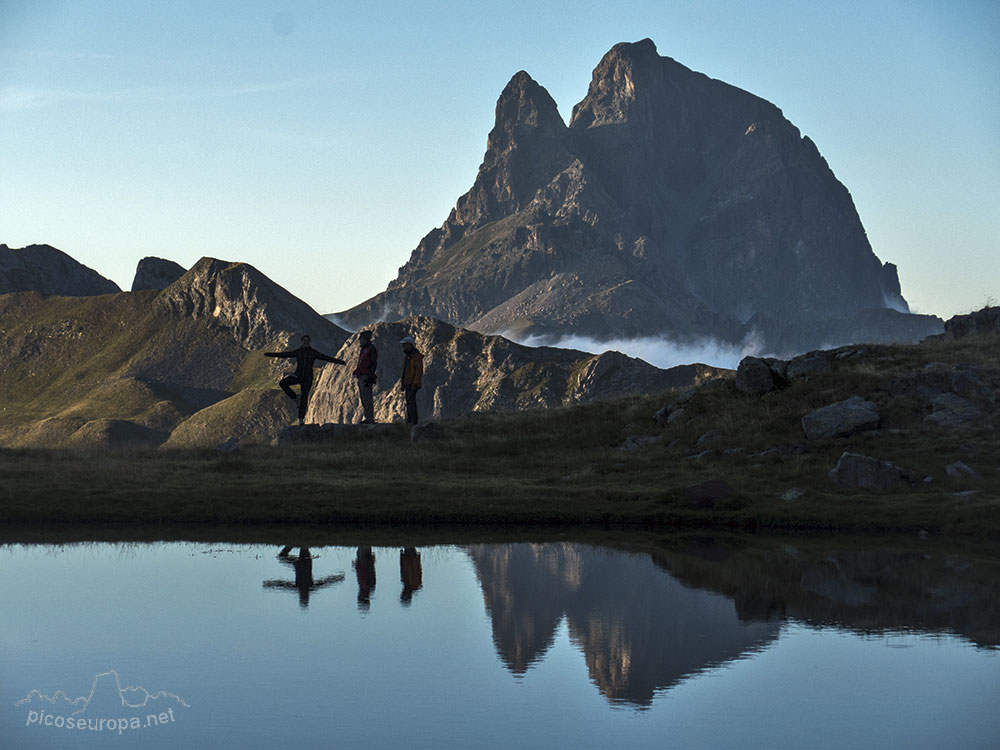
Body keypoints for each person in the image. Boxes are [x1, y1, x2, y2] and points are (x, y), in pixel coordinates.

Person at [264, 335, 346, 425]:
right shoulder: (298, 352)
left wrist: (340, 362)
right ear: (302, 342)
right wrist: (270, 354)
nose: (306, 342)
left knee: (304, 398)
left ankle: (301, 420)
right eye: (304, 341)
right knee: (283, 383)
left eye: (307, 341)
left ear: (309, 342)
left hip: (307, 378)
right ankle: (295, 397)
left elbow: (326, 358)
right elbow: (284, 355)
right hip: (297, 376)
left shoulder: (313, 353)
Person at [352, 330, 378, 424]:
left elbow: (373, 363)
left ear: (365, 339)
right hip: (361, 376)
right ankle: (368, 417)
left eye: (361, 338)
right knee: (363, 398)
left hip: (366, 377)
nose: (359, 340)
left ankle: (370, 418)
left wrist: (370, 376)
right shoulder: (364, 349)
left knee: (367, 398)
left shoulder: (371, 349)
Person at [399, 335, 423, 425]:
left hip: (412, 383)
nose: (403, 347)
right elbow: (404, 372)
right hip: (407, 383)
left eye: (405, 345)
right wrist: (402, 383)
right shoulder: (406, 357)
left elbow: (419, 371)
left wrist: (415, 383)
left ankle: (413, 420)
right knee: (409, 402)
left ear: (410, 345)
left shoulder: (416, 357)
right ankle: (410, 419)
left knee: (411, 401)